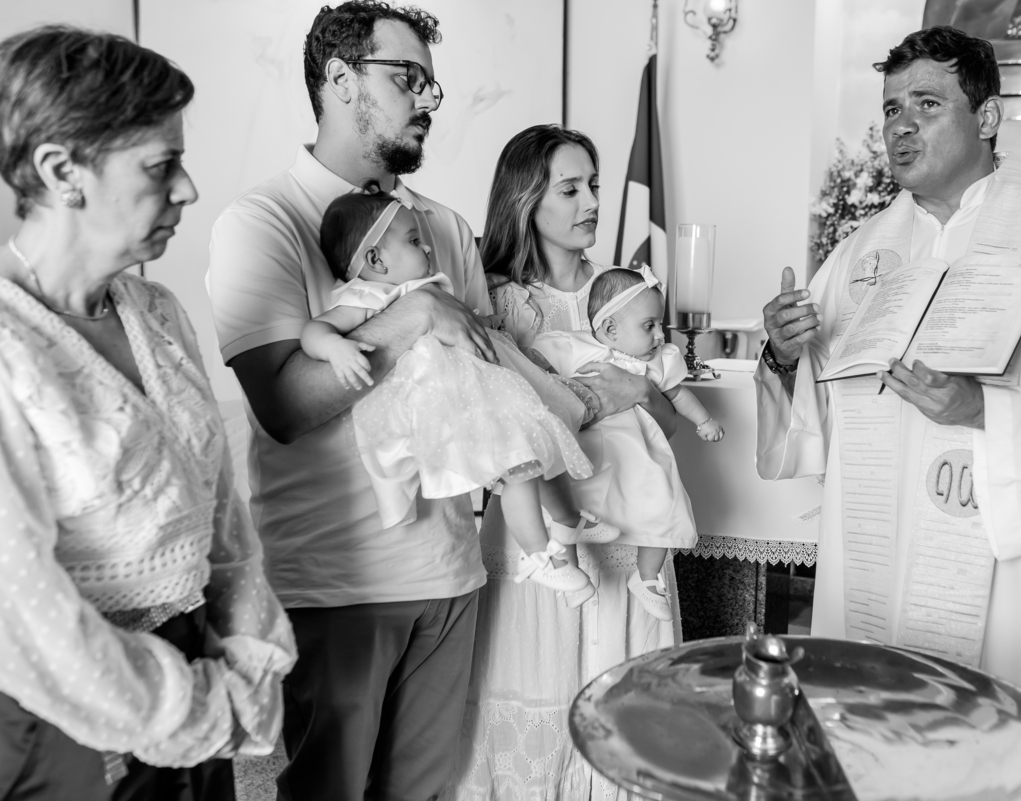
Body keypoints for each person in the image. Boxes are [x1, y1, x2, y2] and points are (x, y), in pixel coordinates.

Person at [755, 24, 1021, 758]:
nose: (899, 126)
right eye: (889, 108)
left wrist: (990, 412)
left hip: (1005, 579)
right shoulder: (857, 257)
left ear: (986, 117)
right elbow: (812, 421)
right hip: (874, 570)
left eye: (926, 103)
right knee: (875, 755)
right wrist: (784, 355)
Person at [205, 3, 503, 799]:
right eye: (408, 79)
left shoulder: (445, 225)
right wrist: (410, 315)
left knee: (426, 791)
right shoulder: (263, 222)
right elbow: (285, 405)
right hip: (338, 581)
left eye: (431, 86)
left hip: (450, 569)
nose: (426, 102)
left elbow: (484, 369)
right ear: (339, 80)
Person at [0, 26, 295, 801]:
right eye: (161, 165)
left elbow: (220, 515)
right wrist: (194, 709)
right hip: (63, 729)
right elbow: (25, 617)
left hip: (200, 674)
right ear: (62, 170)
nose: (189, 189)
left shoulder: (156, 311)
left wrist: (248, 655)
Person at [445, 124, 681, 800]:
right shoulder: (495, 302)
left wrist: (638, 389)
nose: (591, 203)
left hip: (629, 517)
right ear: (525, 200)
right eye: (571, 188)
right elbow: (496, 420)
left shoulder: (626, 294)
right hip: (543, 533)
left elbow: (668, 425)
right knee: (541, 681)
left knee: (622, 702)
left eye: (594, 187)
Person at [302, 190, 603, 598]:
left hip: (484, 385)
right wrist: (335, 348)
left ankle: (567, 520)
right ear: (375, 260)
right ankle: (539, 556)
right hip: (446, 403)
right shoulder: (367, 297)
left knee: (541, 439)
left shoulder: (427, 286)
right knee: (519, 461)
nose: (426, 245)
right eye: (412, 240)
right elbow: (315, 332)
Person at [533, 268, 723, 620]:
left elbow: (678, 395)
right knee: (567, 509)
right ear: (610, 330)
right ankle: (566, 568)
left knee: (663, 502)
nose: (660, 334)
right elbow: (537, 367)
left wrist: (704, 420)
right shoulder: (575, 348)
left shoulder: (658, 361)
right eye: (649, 325)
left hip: (638, 453)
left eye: (660, 325)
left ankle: (647, 577)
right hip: (586, 451)